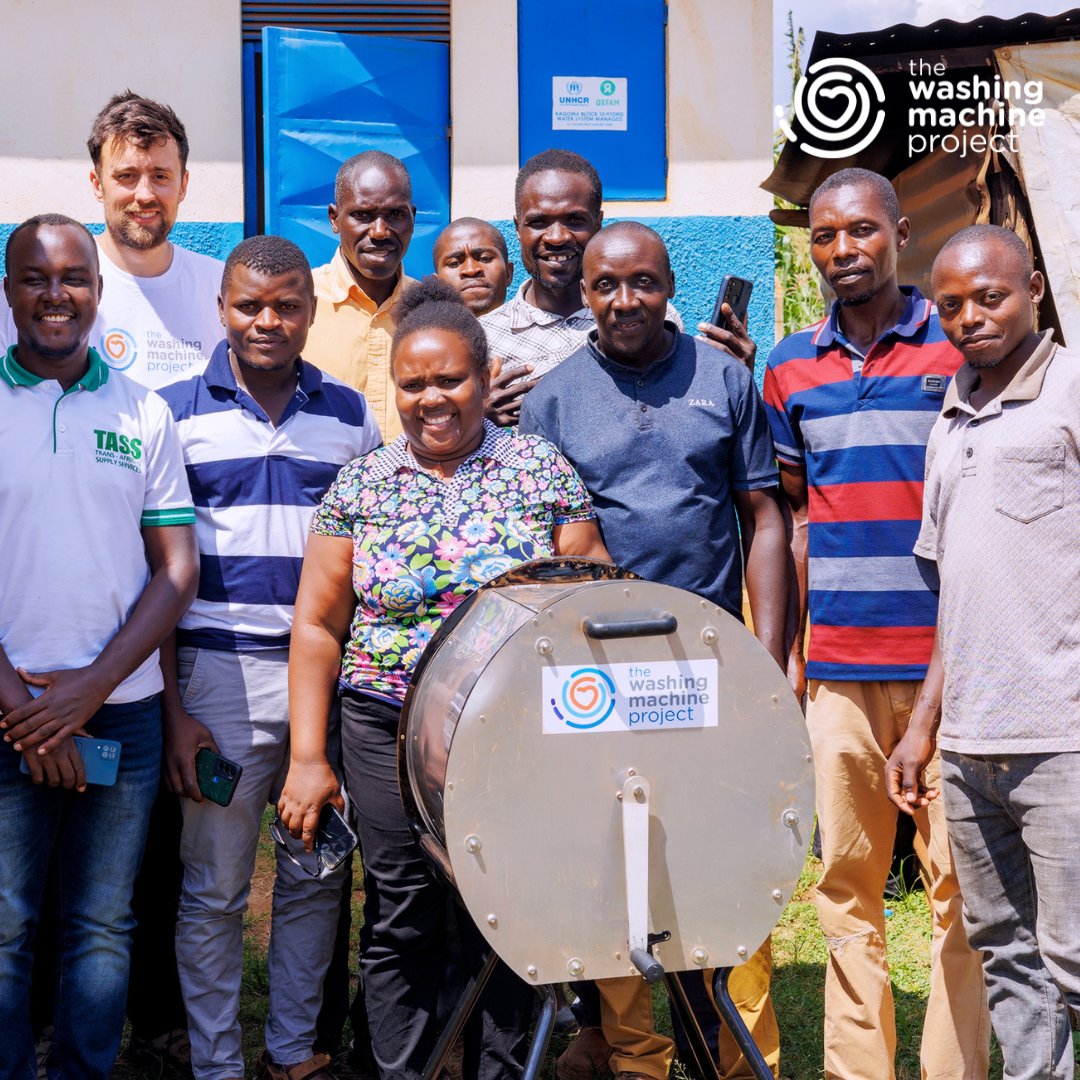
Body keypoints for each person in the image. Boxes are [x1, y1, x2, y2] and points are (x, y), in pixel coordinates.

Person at [277, 277, 609, 1080]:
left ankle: (502, 1071)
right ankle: (406, 1071)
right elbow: (318, 626)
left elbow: (593, 585)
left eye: (450, 379)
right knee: (403, 913)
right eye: (413, 383)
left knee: (505, 909)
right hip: (384, 727)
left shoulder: (539, 470)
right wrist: (307, 756)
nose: (432, 398)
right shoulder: (360, 487)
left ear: (486, 379)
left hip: (516, 734)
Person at [519, 221, 788, 1080]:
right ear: (585, 292)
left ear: (672, 284)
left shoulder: (725, 378)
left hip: (711, 668)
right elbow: (549, 551)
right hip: (598, 674)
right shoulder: (552, 398)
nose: (624, 301)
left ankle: (741, 1059)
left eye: (642, 283)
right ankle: (639, 1058)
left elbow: (764, 519)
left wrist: (768, 657)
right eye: (606, 285)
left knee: (731, 856)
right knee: (614, 861)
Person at [762, 168, 989, 1080]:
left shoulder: (962, 348)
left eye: (861, 230)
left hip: (955, 668)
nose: (842, 250)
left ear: (899, 233)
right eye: (824, 235)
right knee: (845, 890)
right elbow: (793, 516)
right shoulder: (787, 365)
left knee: (959, 894)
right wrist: (790, 654)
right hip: (840, 672)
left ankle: (952, 1070)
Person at [156, 236, 381, 1080]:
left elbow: (364, 554)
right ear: (220, 310)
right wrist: (175, 706)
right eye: (249, 305)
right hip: (216, 678)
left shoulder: (352, 416)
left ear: (311, 313)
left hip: (324, 680)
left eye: (287, 304)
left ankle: (292, 1053)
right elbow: (159, 570)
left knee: (316, 873)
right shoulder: (172, 414)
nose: (268, 320)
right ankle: (216, 1062)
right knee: (213, 887)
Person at [0, 214, 198, 1080]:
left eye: (73, 276)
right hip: (6, 716)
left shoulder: (144, 411)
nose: (56, 294)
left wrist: (88, 693)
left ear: (97, 289)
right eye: (35, 277)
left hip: (124, 715)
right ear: (9, 292)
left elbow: (176, 571)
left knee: (104, 921)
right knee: (5, 918)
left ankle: (83, 1070)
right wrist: (26, 709)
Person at [887, 224, 1080, 1080]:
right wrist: (924, 726)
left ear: (1034, 288)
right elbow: (957, 600)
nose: (970, 317)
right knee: (1007, 952)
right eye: (951, 304)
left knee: (1074, 957)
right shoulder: (952, 413)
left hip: (1062, 738)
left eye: (990, 297)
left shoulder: (1072, 391)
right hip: (969, 749)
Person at [480, 149, 753, 426]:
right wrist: (475, 417)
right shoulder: (484, 338)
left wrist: (732, 376)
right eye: (539, 222)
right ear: (517, 229)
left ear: (598, 223)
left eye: (574, 220)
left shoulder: (653, 317)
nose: (557, 237)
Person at [304, 150, 417, 442]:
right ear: (334, 219)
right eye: (362, 215)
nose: (379, 232)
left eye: (395, 215)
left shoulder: (432, 308)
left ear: (412, 218)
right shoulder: (299, 305)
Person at [433, 216, 514, 316]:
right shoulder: (419, 331)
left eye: (485, 258)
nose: (471, 270)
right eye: (454, 263)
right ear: (437, 284)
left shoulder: (536, 329)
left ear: (508, 273)